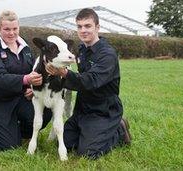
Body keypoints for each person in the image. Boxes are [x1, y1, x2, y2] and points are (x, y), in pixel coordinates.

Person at [45, 8, 132, 159]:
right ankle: (89, 133)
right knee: (66, 142)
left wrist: (64, 73)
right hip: (82, 109)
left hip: (103, 111)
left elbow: (91, 80)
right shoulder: (82, 50)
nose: (83, 30)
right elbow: (78, 78)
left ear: (97, 27)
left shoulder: (107, 54)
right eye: (79, 26)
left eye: (88, 26)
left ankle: (119, 129)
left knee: (87, 153)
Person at [0, 10, 52, 151]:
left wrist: (32, 89)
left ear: (19, 28)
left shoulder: (26, 47)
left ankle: (16, 131)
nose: (11, 33)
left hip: (20, 97)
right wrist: (26, 79)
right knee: (8, 146)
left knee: (46, 111)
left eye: (15, 29)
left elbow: (34, 69)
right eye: (7, 29)